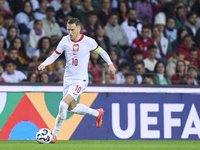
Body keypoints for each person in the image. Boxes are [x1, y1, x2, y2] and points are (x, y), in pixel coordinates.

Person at [38, 18, 116, 142]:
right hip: (67, 79)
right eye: (68, 29)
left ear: (79, 29)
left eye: (72, 30)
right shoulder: (64, 40)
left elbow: (102, 52)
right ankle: (97, 113)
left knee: (63, 104)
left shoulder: (88, 42)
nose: (70, 32)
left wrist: (110, 64)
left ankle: (54, 135)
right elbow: (55, 55)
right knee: (71, 108)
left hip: (81, 80)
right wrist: (44, 64)